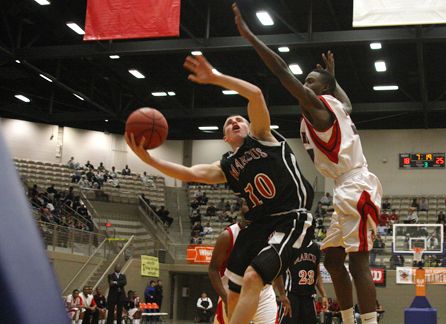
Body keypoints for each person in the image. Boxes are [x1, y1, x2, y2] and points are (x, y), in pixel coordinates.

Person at [126, 54, 314, 324]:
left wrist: (214, 77)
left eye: (239, 119)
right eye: (229, 123)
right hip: (259, 225)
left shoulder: (262, 137)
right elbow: (190, 173)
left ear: (249, 127)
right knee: (234, 291)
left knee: (252, 277)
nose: (235, 122)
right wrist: (148, 160)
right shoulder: (227, 166)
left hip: (291, 215)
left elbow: (256, 95)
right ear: (225, 138)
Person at [232, 5, 382, 323]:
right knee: (331, 258)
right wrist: (333, 78)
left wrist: (250, 36)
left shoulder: (321, 109)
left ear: (322, 91)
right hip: (346, 186)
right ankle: (346, 317)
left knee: (359, 262)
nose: (305, 83)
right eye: (306, 80)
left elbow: (281, 71)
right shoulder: (337, 105)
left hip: (356, 184)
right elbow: (349, 102)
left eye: (311, 81)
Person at [208, 213, 278, 324]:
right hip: (231, 291)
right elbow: (213, 269)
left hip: (263, 292)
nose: (251, 207)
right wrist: (225, 298)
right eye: (247, 203)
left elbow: (277, 264)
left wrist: (280, 293)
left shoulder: (272, 233)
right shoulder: (228, 235)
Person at [277, 240, 328, 324]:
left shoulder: (316, 248)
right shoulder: (290, 245)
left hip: (309, 297)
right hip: (291, 296)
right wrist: (281, 294)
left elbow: (317, 274)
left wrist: (324, 295)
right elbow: (279, 271)